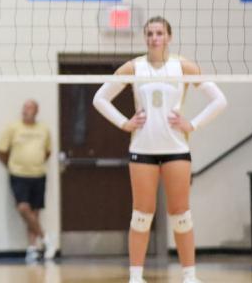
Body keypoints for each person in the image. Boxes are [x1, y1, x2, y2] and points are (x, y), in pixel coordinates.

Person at [93, 16, 228, 283]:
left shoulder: (184, 66)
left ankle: (189, 277)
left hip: (176, 149)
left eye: (159, 33)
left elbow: (219, 100)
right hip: (142, 149)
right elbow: (100, 98)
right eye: (150, 33)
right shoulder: (134, 67)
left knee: (181, 215)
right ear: (145, 38)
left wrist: (193, 124)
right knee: (142, 215)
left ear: (169, 37)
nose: (154, 38)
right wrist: (124, 122)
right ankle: (135, 277)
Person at [0, 100, 54, 263]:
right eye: (24, 108)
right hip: (18, 174)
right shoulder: (13, 128)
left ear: (36, 111)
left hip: (38, 174)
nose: (25, 111)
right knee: (23, 208)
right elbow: (0, 151)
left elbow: (48, 152)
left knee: (34, 213)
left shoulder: (44, 129)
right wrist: (13, 165)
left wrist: (35, 161)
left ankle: (33, 248)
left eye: (29, 108)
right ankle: (46, 238)